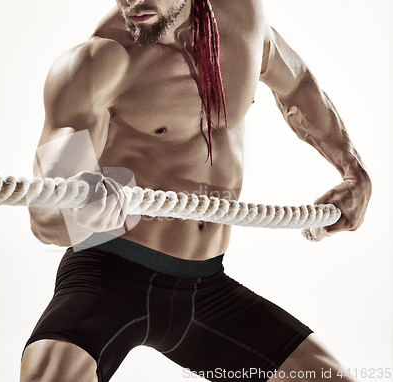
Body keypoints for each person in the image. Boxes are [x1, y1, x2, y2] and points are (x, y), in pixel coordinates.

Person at [20, 0, 372, 381]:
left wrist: (354, 172)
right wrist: (75, 207)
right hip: (109, 274)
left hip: (206, 288)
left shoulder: (244, 26)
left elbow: (297, 82)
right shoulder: (99, 62)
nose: (134, 2)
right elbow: (45, 216)